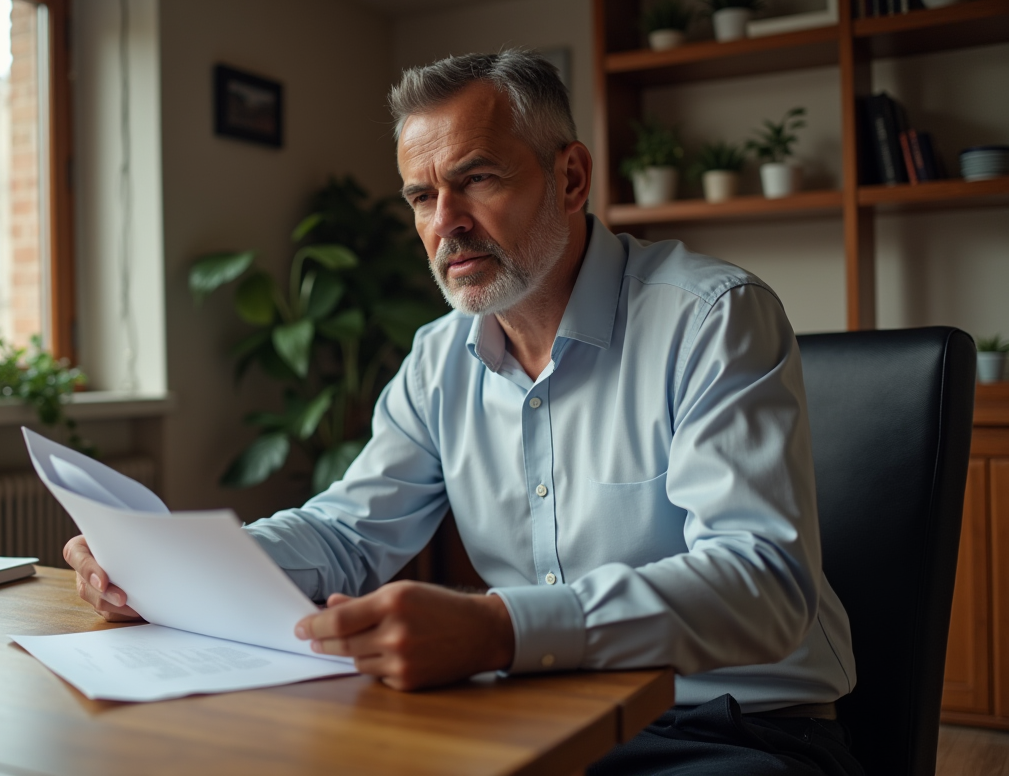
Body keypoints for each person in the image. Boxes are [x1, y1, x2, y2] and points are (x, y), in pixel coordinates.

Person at [64, 50, 862, 775]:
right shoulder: (440, 357)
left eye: (477, 178)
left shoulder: (712, 316)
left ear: (571, 178)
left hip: (737, 727)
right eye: (421, 195)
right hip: (535, 712)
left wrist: (499, 630)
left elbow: (763, 583)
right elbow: (348, 531)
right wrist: (171, 568)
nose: (445, 222)